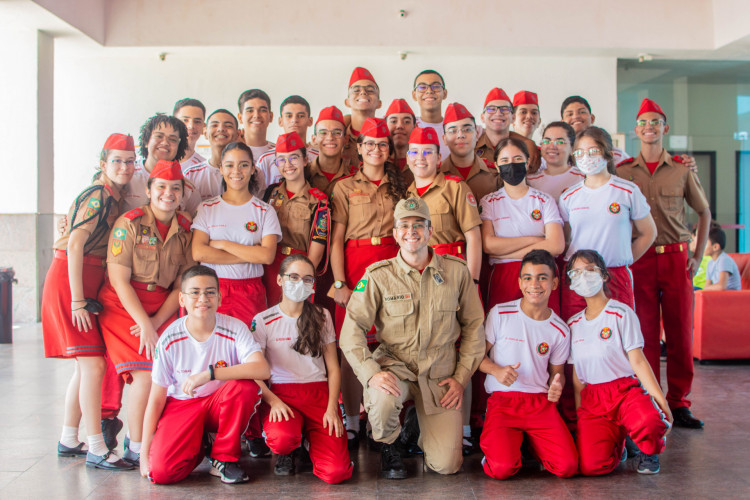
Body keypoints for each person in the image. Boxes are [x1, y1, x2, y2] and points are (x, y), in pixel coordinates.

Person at [339, 197, 485, 478]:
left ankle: (413, 429)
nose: (411, 231)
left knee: (445, 466)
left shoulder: (456, 271)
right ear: (395, 233)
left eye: (419, 225)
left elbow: (474, 326)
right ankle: (389, 447)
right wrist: (371, 374)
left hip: (439, 374)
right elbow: (351, 330)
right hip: (396, 368)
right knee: (382, 399)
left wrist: (461, 377)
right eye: (404, 226)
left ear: (430, 231)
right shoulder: (378, 276)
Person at [42, 133, 136, 470]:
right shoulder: (99, 194)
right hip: (74, 279)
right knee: (94, 364)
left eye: (129, 161)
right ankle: (97, 445)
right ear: (103, 163)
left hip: (86, 278)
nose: (124, 167)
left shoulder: (112, 193)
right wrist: (77, 301)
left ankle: (70, 438)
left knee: (86, 366)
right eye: (117, 161)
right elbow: (75, 243)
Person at [616, 98, 711, 429]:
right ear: (635, 130)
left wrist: (698, 255)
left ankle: (679, 402)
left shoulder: (683, 170)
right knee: (643, 334)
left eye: (655, 122)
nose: (649, 127)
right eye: (643, 122)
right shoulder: (623, 171)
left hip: (675, 258)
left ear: (665, 128)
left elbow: (704, 211)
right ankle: (652, 400)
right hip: (639, 258)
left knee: (681, 333)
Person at [98, 160, 195, 468]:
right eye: (162, 187)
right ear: (149, 189)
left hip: (161, 308)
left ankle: (146, 439)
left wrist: (155, 323)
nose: (168, 194)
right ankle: (137, 447)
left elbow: (181, 282)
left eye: (175, 188)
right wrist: (145, 323)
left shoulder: (186, 229)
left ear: (182, 193)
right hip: (123, 306)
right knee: (145, 373)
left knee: (166, 375)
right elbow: (118, 278)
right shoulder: (130, 221)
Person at [190, 140, 281, 457]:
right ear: (221, 169)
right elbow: (199, 252)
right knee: (210, 354)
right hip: (213, 290)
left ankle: (253, 431)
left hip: (249, 290)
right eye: (230, 165)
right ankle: (206, 427)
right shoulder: (208, 208)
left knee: (250, 358)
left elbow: (267, 256)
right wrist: (246, 253)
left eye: (244, 164)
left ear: (253, 168)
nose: (237, 171)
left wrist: (225, 245)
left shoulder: (263, 210)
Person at [141, 265, 270, 484]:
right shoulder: (169, 338)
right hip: (183, 405)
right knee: (162, 473)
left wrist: (210, 374)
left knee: (245, 386)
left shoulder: (235, 328)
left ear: (219, 298)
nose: (203, 298)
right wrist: (144, 454)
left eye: (210, 292)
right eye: (195, 292)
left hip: (219, 404)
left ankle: (223, 459)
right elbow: (156, 398)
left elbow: (261, 369)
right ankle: (201, 444)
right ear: (182, 299)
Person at [330, 117, 407, 448]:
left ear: (389, 150)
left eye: (382, 144)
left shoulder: (402, 186)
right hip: (356, 266)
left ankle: (390, 419)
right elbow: (336, 240)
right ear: (359, 148)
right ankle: (351, 420)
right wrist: (339, 282)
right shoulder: (344, 186)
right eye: (369, 144)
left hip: (393, 264)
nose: (376, 149)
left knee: (394, 344)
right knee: (351, 348)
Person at [566, 249, 672, 475]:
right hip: (593, 398)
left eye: (590, 270)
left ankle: (648, 450)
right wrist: (580, 415)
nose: (583, 276)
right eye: (576, 272)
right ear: (570, 282)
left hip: (625, 391)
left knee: (650, 422)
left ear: (604, 275)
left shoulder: (621, 313)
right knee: (591, 466)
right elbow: (577, 377)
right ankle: (621, 442)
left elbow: (639, 362)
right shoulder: (573, 324)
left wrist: (661, 400)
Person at [252, 255, 353, 484]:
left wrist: (332, 409)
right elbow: (252, 372)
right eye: (294, 277)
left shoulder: (321, 315)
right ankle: (289, 450)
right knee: (282, 438)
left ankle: (310, 442)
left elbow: (333, 368)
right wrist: (273, 401)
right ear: (279, 280)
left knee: (336, 473)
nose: (300, 283)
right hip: (281, 394)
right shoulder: (263, 320)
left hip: (318, 395)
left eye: (307, 279)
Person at [479, 249, 577, 480]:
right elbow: (476, 357)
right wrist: (496, 370)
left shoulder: (560, 329)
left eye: (542, 277)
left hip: (539, 404)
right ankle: (494, 452)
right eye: (528, 278)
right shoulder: (500, 313)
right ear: (520, 283)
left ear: (554, 283)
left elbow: (557, 374)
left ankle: (533, 445)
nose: (535, 284)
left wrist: (557, 385)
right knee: (502, 470)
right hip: (503, 402)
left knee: (567, 467)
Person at [559, 126, 656, 320]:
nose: (586, 157)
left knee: (618, 336)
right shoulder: (569, 196)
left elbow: (648, 233)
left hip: (615, 275)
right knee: (576, 335)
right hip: (578, 277)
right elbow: (567, 238)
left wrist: (624, 259)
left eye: (593, 151)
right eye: (580, 152)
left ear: (608, 154)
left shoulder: (627, 191)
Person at [480, 137, 565, 311]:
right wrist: (536, 240)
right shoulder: (489, 202)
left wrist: (504, 253)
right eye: (505, 160)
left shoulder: (544, 200)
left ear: (527, 163)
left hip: (541, 274)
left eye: (518, 159)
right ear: (496, 166)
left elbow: (556, 245)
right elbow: (488, 245)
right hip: (504, 278)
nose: (511, 164)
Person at [262, 132, 330, 306]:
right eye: (281, 160)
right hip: (269, 265)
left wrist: (303, 278)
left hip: (299, 268)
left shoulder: (319, 200)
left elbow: (317, 247)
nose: (288, 165)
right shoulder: (271, 192)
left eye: (294, 158)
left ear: (305, 160)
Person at [406, 126, 481, 277]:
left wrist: (472, 281)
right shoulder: (408, 195)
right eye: (414, 152)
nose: (420, 158)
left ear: (439, 158)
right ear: (407, 158)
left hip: (452, 268)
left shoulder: (454, 187)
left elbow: (473, 237)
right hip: (418, 272)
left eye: (428, 152)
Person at [124, 114, 202, 214]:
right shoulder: (127, 177)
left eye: (173, 139)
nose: (165, 143)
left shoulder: (187, 188)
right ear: (146, 141)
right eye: (159, 136)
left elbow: (196, 224)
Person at [439, 102, 502, 202]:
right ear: (444, 139)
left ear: (477, 134)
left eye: (467, 129)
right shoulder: (437, 175)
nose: (461, 135)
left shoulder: (495, 173)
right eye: (453, 131)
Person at [257, 95, 320, 187]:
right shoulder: (266, 159)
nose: (294, 120)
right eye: (289, 116)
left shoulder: (319, 157)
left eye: (301, 116)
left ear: (310, 121)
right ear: (280, 121)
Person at [475, 88, 540, 172]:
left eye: (505, 109)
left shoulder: (530, 151)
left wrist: (528, 143)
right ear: (482, 117)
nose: (498, 113)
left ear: (513, 118)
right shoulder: (471, 146)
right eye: (491, 109)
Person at [183, 108, 239, 203]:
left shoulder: (251, 173)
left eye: (228, 126)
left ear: (238, 134)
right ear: (205, 133)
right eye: (214, 125)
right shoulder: (191, 175)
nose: (221, 129)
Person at [307, 105, 358, 197]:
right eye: (323, 133)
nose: (330, 138)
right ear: (314, 139)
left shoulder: (356, 176)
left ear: (345, 139)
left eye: (337, 133)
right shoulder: (304, 174)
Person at [526, 121, 585, 201]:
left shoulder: (583, 178)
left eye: (560, 142)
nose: (552, 146)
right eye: (547, 141)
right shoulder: (530, 181)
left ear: (572, 148)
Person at [341, 67, 382, 166]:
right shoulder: (337, 139)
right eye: (356, 90)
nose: (363, 92)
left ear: (379, 103)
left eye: (370, 90)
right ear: (347, 102)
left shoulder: (386, 138)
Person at [412, 69, 450, 160]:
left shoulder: (454, 127)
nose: (429, 91)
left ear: (444, 93)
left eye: (436, 86)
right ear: (414, 95)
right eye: (422, 87)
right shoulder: (410, 127)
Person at [237, 89, 276, 166]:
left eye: (262, 110)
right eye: (250, 111)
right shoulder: (231, 152)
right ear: (240, 118)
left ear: (271, 116)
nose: (256, 115)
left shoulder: (280, 151)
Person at [385, 98, 417, 183]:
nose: (400, 126)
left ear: (415, 127)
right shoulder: (378, 163)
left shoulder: (422, 162)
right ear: (385, 127)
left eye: (406, 122)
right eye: (393, 121)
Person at [703, 223, 741, 291]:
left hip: (731, 297)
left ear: (715, 247)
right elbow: (706, 286)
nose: (702, 246)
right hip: (719, 296)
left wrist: (704, 289)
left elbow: (722, 286)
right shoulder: (710, 263)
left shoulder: (724, 260)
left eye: (705, 243)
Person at [174, 98, 207, 170]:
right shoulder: (156, 160)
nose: (191, 126)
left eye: (197, 121)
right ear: (173, 123)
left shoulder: (204, 168)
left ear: (203, 127)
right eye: (185, 120)